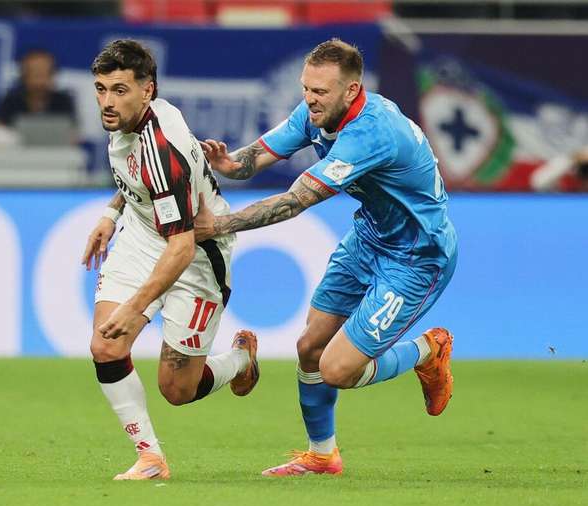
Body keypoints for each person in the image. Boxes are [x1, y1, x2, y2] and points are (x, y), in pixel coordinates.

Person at [194, 38, 458, 477]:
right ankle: (322, 456)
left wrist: (219, 226)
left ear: (351, 91)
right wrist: (227, 164)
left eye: (321, 92)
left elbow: (295, 202)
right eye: (306, 88)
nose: (310, 99)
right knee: (310, 347)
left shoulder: (372, 134)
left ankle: (428, 352)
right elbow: (258, 155)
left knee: (337, 369)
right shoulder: (317, 112)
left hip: (416, 257)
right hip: (369, 237)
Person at [81, 39, 259, 481]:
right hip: (145, 236)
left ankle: (240, 360)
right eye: (101, 89)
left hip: (197, 254)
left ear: (148, 90)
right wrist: (112, 212)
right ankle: (151, 458)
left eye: (119, 90)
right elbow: (137, 177)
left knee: (177, 390)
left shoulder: (161, 149)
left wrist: (135, 307)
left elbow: (180, 246)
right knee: (106, 344)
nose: (107, 101)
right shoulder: (138, 118)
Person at [0, 49, 76, 127]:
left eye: (44, 74)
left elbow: (73, 133)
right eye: (35, 74)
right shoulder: (11, 101)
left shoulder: (63, 101)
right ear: (24, 76)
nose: (40, 81)